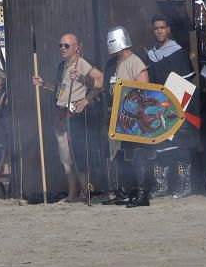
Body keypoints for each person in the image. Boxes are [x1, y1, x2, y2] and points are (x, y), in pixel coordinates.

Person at [32, 34, 103, 203]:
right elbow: (59, 89)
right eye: (60, 45)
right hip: (61, 116)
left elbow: (100, 82)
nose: (62, 48)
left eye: (67, 45)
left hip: (75, 116)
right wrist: (43, 84)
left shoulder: (83, 63)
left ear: (76, 47)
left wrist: (86, 96)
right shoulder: (62, 66)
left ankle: (85, 193)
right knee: (66, 159)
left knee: (78, 156)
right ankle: (72, 194)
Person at [147, 15, 197, 199]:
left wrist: (173, 105)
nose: (159, 31)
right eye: (156, 28)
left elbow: (187, 81)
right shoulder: (150, 56)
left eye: (162, 27)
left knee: (181, 146)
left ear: (168, 29)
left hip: (177, 107)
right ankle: (161, 186)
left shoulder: (179, 53)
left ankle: (185, 185)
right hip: (157, 108)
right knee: (159, 147)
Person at [101, 26, 151, 206]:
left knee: (138, 155)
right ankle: (125, 192)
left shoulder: (134, 61)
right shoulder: (115, 63)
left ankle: (142, 194)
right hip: (119, 117)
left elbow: (144, 88)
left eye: (110, 42)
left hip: (134, 117)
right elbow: (104, 85)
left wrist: (133, 109)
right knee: (121, 156)